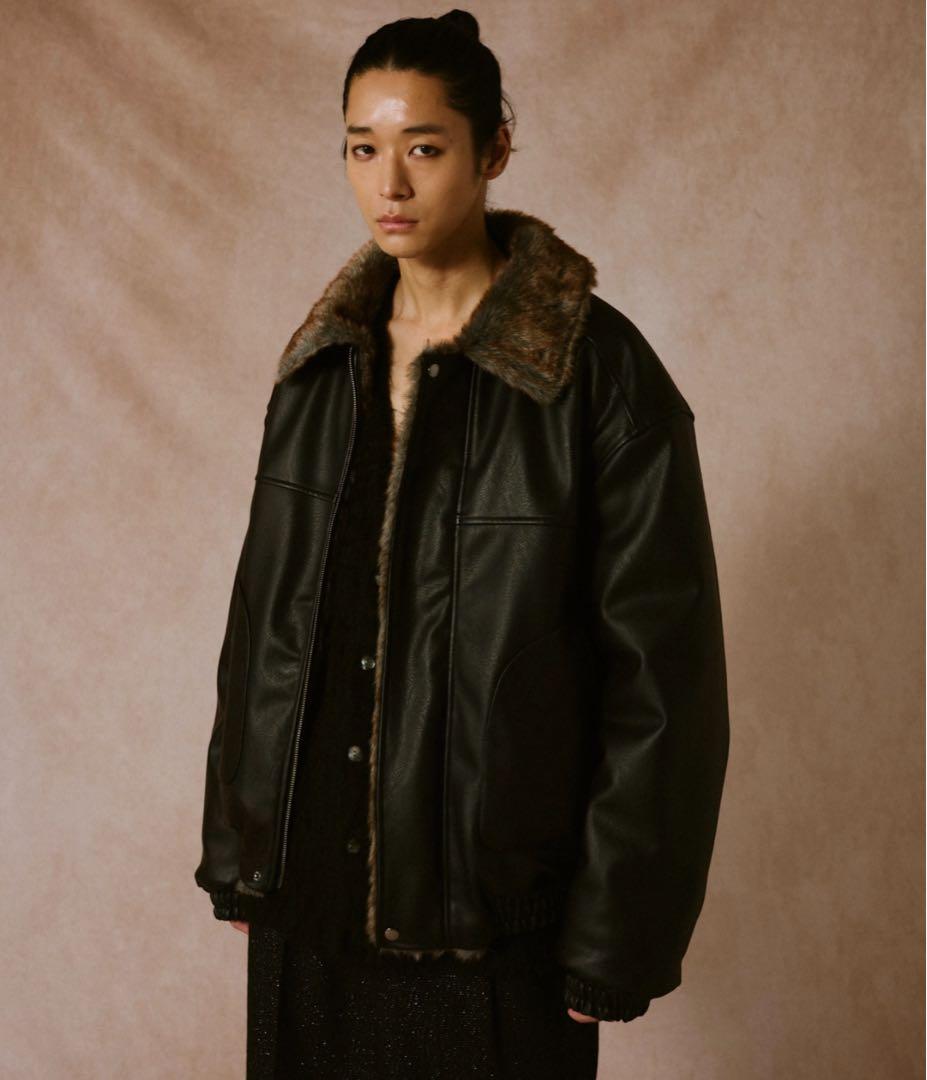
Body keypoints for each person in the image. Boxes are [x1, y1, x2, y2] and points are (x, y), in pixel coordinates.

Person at [194, 9, 730, 1078]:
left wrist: (613, 940)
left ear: (493, 152)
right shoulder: (320, 369)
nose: (388, 183)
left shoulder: (596, 376)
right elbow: (263, 626)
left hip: (493, 929)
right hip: (309, 910)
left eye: (424, 148)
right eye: (362, 148)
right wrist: (242, 851)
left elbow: (664, 682)